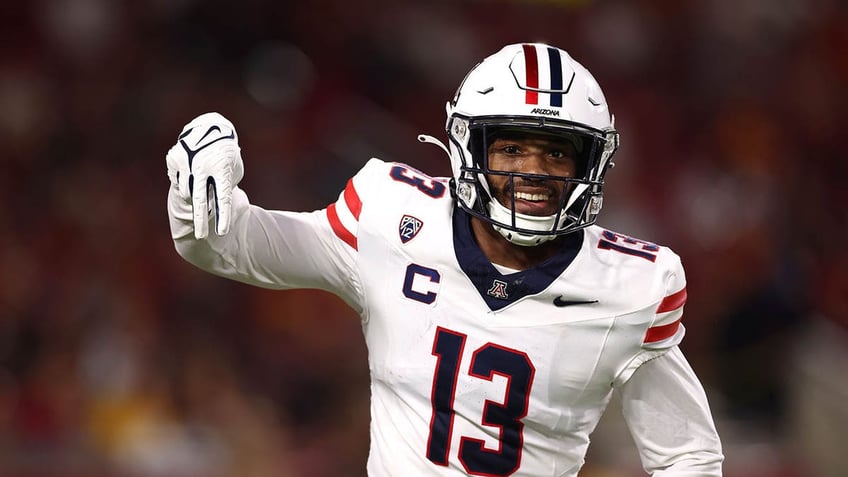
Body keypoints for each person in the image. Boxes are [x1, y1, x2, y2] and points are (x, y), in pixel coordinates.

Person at [166, 43, 724, 476]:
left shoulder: (629, 287)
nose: (533, 171)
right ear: (468, 148)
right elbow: (230, 245)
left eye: (556, 151)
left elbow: (687, 455)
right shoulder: (392, 215)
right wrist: (198, 193)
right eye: (510, 147)